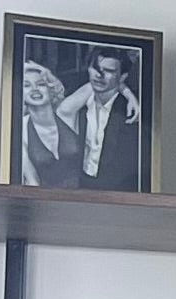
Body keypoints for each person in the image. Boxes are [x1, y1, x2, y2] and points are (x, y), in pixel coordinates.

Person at [55, 47, 141, 191]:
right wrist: (125, 90)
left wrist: (126, 93)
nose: (99, 75)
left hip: (115, 193)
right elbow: (62, 110)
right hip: (80, 188)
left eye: (109, 71)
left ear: (122, 77)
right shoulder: (80, 106)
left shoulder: (130, 111)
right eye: (95, 68)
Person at [17, 60, 85, 189]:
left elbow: (94, 86)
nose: (35, 89)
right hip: (46, 199)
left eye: (41, 84)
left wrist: (126, 92)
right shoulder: (21, 128)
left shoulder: (66, 113)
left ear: (51, 88)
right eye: (27, 85)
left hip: (85, 196)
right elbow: (32, 181)